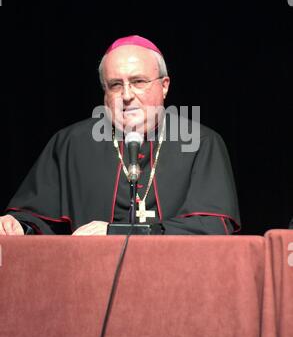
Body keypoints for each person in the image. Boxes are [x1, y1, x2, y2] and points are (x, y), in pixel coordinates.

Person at [0, 35, 240, 236]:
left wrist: (117, 232)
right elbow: (37, 217)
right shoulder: (71, 143)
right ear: (105, 91)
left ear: (164, 85)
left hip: (174, 281)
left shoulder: (200, 142)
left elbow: (213, 226)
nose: (126, 95)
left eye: (138, 81)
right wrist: (18, 225)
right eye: (115, 84)